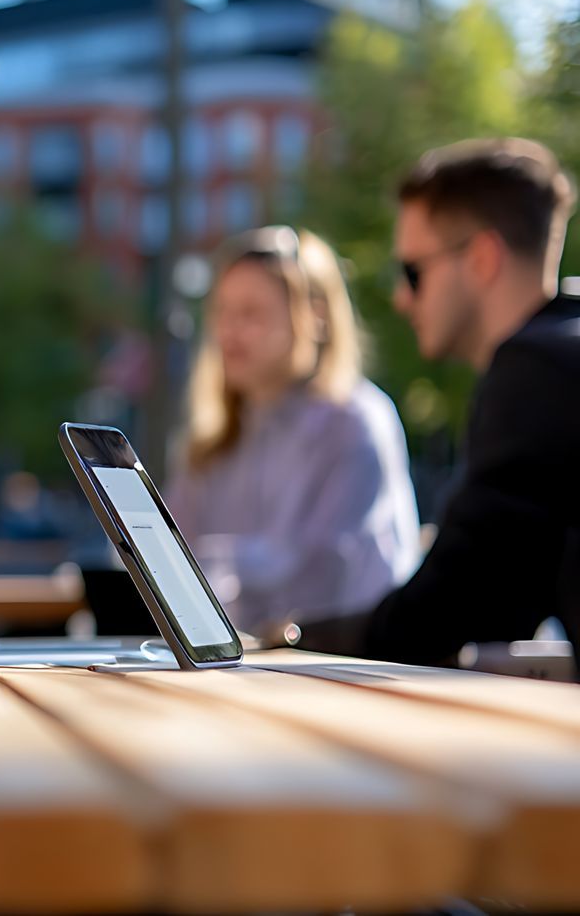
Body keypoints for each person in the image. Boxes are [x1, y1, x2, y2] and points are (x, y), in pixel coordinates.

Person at [291, 138, 580, 666]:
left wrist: (289, 638)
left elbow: (452, 603)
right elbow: (505, 599)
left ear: (483, 258)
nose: (401, 298)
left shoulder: (536, 370)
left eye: (412, 272)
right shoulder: (561, 356)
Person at [165, 226, 420, 631]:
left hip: (344, 667)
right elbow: (166, 562)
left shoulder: (353, 422)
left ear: (315, 315)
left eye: (251, 314)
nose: (229, 331)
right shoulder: (213, 439)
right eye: (223, 312)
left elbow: (320, 579)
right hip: (241, 665)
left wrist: (211, 565)